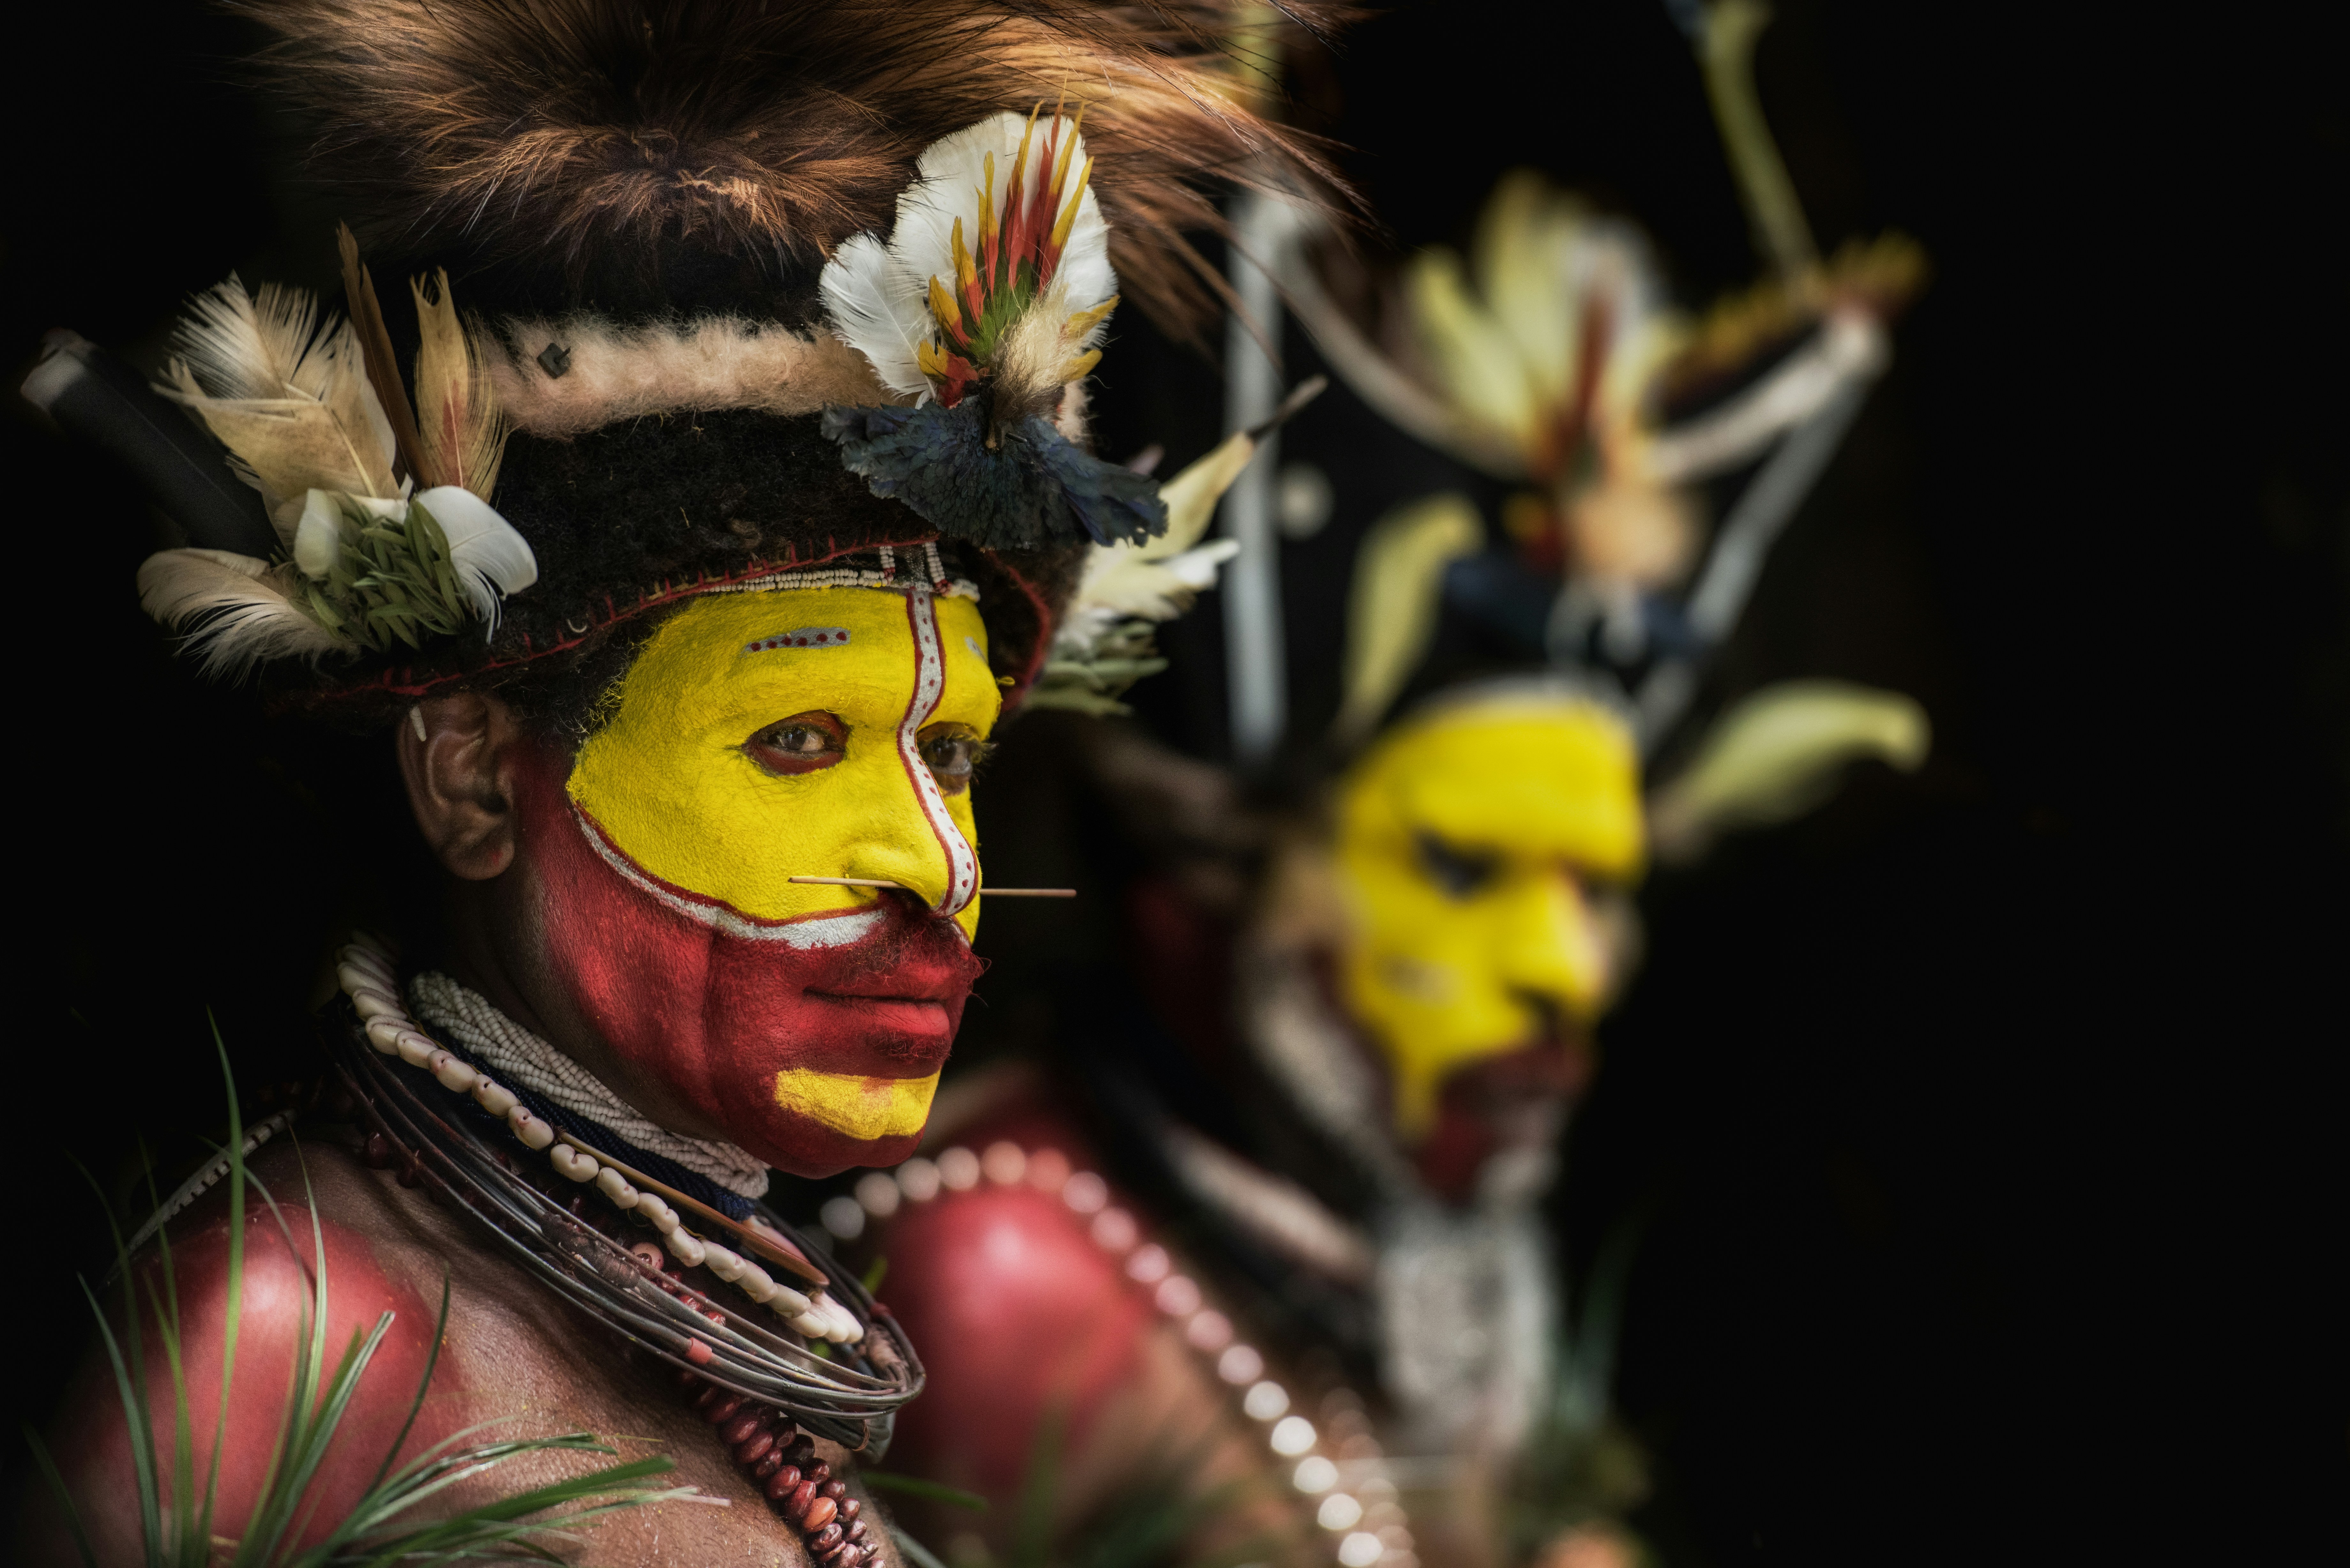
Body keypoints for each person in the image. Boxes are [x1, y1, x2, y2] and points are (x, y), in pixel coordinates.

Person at [15, 3, 1333, 1564]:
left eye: (954, 752)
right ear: (474, 783)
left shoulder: (726, 1346)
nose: (938, 862)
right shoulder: (287, 1348)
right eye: (794, 740)